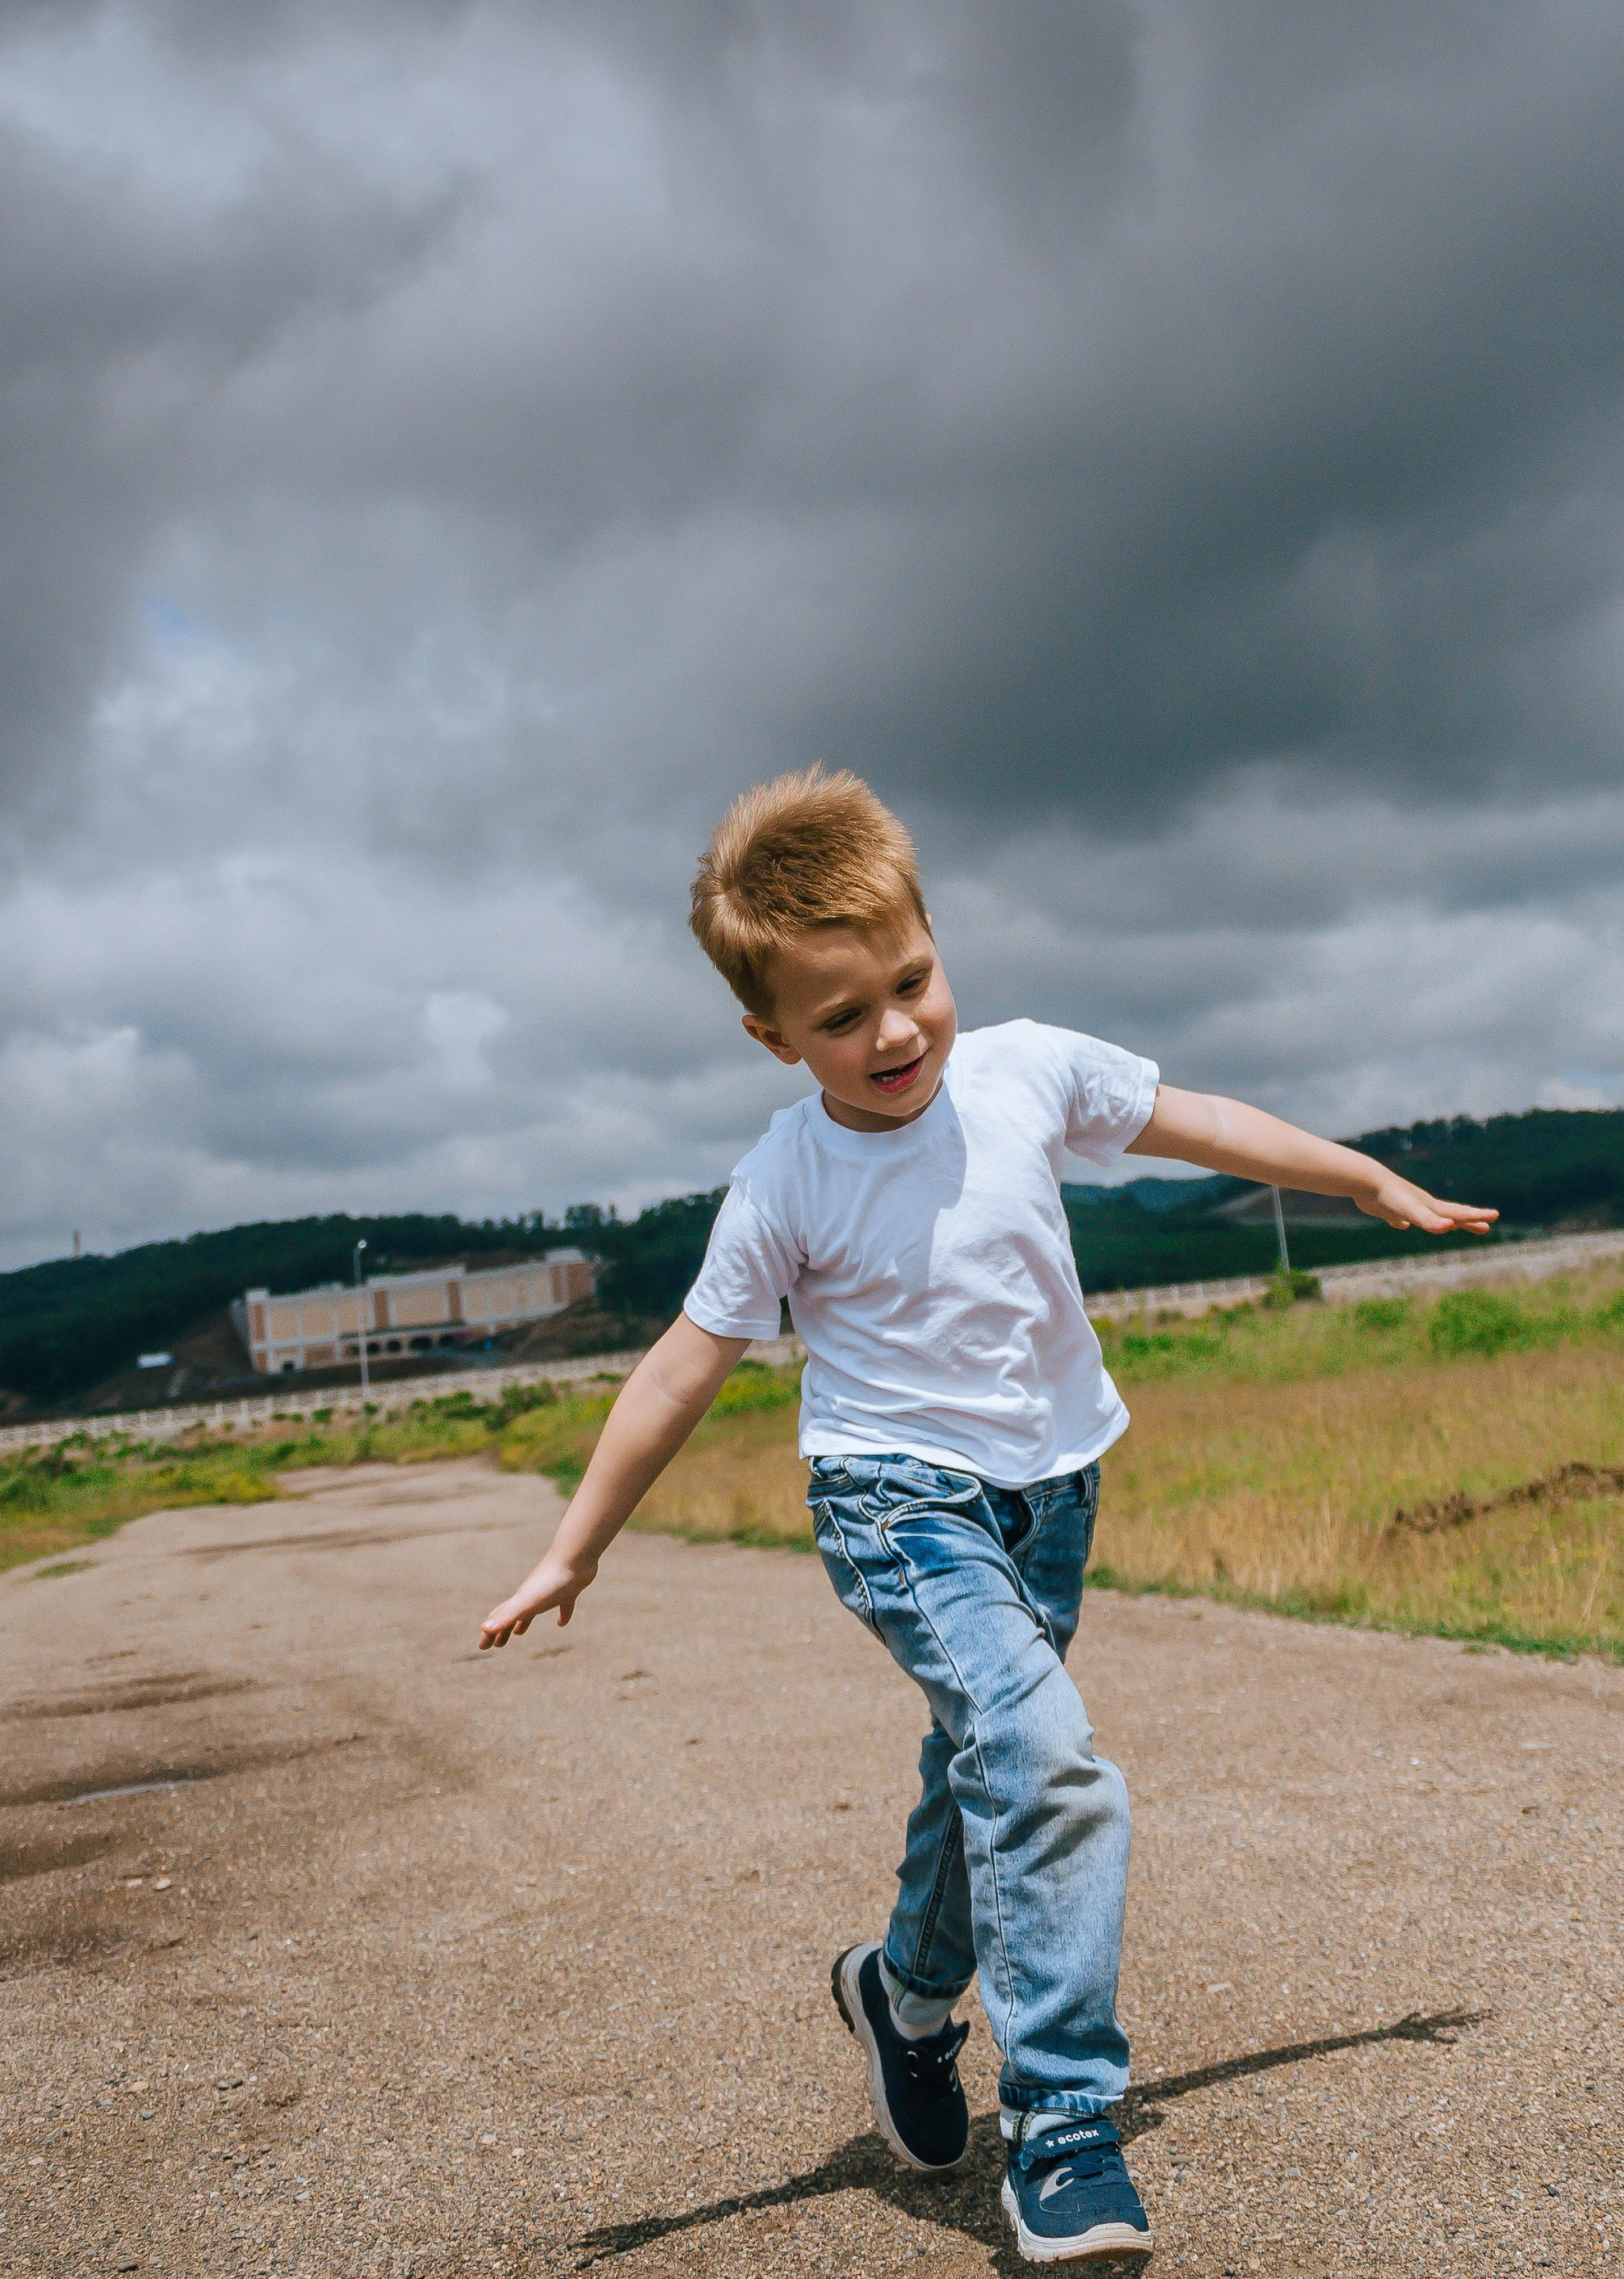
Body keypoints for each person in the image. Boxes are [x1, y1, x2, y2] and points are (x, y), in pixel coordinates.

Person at [479, 767, 1495, 2262]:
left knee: (989, 1768)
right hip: (895, 1502)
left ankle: (901, 1995)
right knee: (1052, 1767)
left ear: (935, 940)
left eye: (911, 982)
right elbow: (681, 1369)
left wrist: (1361, 1177)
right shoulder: (783, 1183)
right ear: (770, 1037)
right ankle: (1065, 2127)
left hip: (1052, 1492)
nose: (893, 1032)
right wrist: (574, 1548)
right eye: (840, 1019)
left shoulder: (1028, 1069)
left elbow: (1199, 1121)